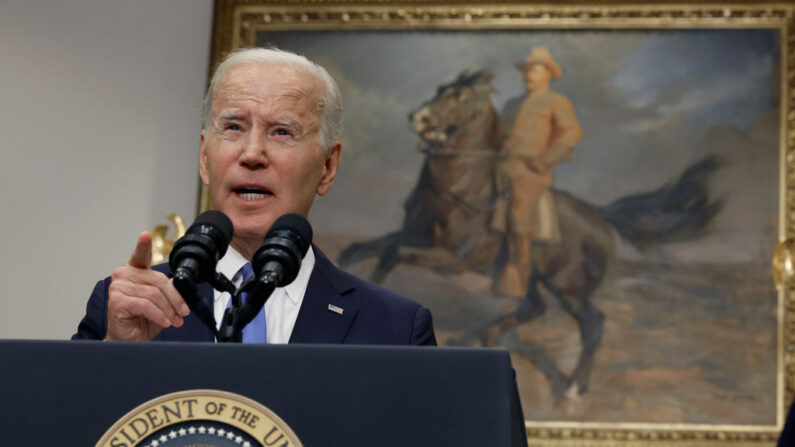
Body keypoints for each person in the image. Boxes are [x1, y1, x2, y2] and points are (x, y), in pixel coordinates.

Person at [73, 47, 436, 345]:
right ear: (204, 158)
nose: (251, 154)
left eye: (281, 132)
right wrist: (117, 354)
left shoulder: (397, 329)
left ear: (327, 166)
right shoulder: (125, 308)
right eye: (233, 127)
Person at [492, 47, 583, 298]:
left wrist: (545, 160)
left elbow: (572, 133)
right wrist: (503, 144)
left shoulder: (556, 102)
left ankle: (518, 278)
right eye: (527, 70)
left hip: (531, 173)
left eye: (536, 69)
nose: (529, 74)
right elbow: (500, 134)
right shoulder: (512, 104)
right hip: (502, 168)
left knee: (519, 215)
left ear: (548, 74)